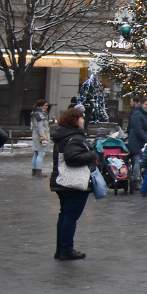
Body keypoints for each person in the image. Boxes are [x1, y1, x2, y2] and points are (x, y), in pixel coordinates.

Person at [49, 107, 96, 260]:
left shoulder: (63, 135)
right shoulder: (75, 137)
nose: (83, 120)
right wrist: (93, 154)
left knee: (65, 215)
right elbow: (72, 157)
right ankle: (66, 249)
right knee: (70, 216)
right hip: (74, 183)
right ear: (74, 121)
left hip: (62, 181)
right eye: (81, 118)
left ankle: (61, 248)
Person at [127, 97, 147, 168]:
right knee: (137, 161)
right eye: (146, 104)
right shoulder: (137, 114)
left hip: (145, 141)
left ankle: (142, 177)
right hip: (137, 141)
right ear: (142, 104)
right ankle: (136, 178)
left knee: (143, 161)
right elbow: (138, 130)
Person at [30, 99, 52, 177]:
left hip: (36, 134)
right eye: (46, 105)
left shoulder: (35, 113)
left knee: (36, 153)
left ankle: (34, 171)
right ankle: (38, 171)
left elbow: (42, 125)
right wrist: (43, 138)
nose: (47, 107)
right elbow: (40, 127)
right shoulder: (40, 114)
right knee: (41, 153)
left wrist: (51, 122)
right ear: (41, 106)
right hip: (40, 135)